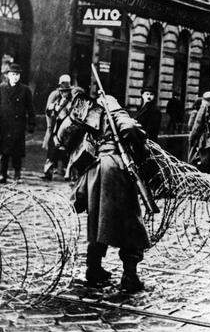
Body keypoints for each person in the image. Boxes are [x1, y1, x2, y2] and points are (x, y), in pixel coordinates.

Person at [57, 88, 150, 293]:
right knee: (131, 221)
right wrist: (142, 148)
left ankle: (94, 268)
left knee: (97, 219)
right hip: (114, 169)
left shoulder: (90, 113)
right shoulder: (114, 111)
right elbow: (130, 129)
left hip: (93, 169)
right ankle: (129, 275)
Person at [0, 63, 36, 183]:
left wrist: (31, 124)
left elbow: (30, 108)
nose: (15, 77)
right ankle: (2, 174)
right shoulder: (2, 88)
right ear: (8, 75)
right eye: (12, 74)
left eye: (17, 74)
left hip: (18, 125)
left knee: (17, 151)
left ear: (19, 76)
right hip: (4, 124)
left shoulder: (25, 90)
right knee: (3, 150)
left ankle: (17, 175)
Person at [42, 75, 74, 181]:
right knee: (52, 150)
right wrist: (53, 110)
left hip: (68, 127)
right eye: (62, 91)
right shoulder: (55, 97)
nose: (64, 93)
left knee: (67, 150)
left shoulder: (72, 99)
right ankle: (48, 172)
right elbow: (48, 111)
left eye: (66, 91)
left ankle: (67, 172)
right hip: (57, 126)